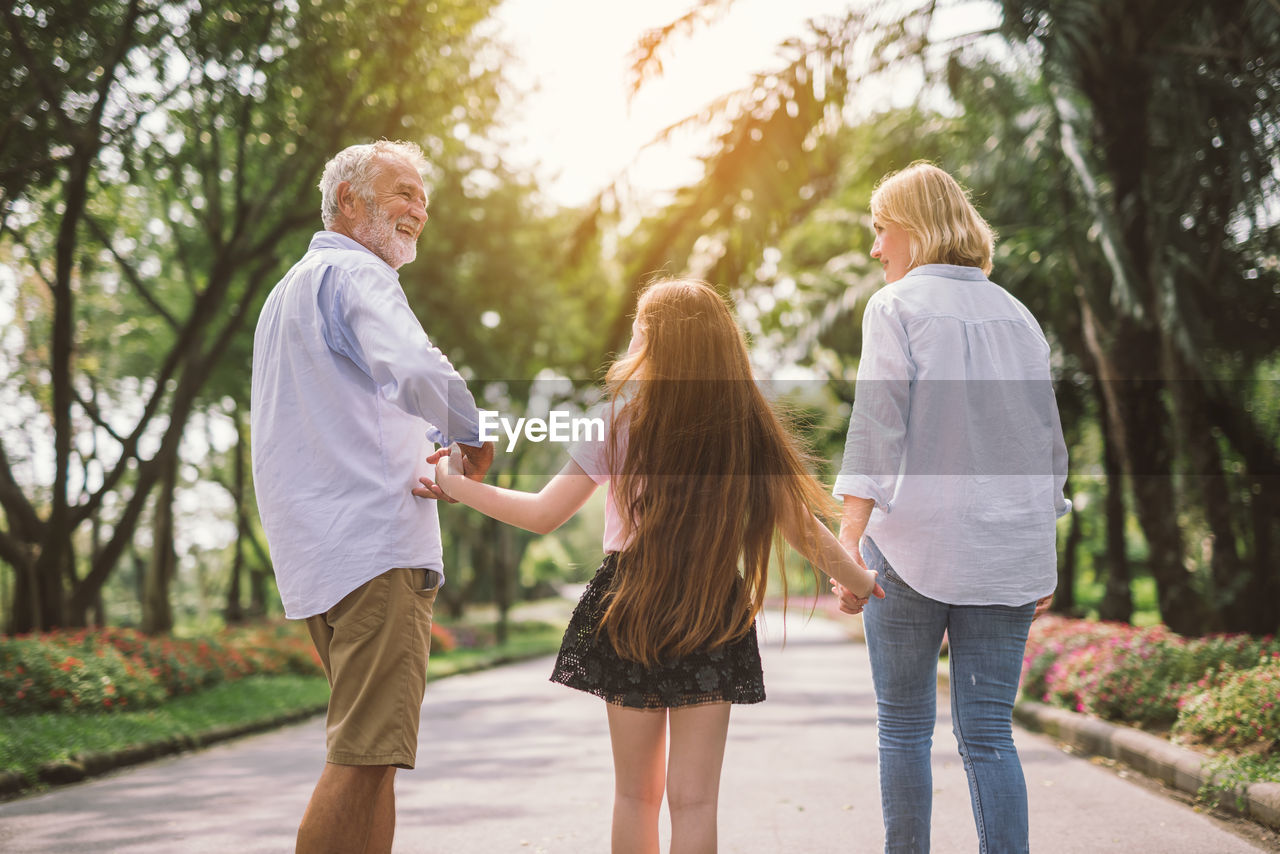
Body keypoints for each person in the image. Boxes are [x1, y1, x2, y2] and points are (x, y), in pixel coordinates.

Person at [414, 279, 883, 854]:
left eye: (641, 322)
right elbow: (800, 526)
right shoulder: (745, 432)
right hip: (713, 605)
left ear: (656, 340)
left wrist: (455, 485)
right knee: (696, 801)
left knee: (636, 796)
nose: (633, 331)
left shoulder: (619, 423)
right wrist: (857, 580)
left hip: (630, 602)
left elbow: (542, 515)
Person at [250, 139, 494, 854]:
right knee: (361, 757)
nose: (417, 209)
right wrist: (470, 430)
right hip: (376, 550)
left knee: (375, 758)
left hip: (322, 554)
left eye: (422, 197)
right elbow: (413, 365)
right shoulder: (356, 276)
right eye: (401, 192)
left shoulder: (288, 293)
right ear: (349, 202)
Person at [829, 161, 1070, 853]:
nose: (876, 249)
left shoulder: (897, 304)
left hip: (910, 549)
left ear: (913, 227)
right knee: (990, 735)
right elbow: (1045, 447)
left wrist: (848, 545)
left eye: (880, 230)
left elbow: (877, 427)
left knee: (904, 727)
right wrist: (1038, 555)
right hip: (1008, 551)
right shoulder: (1017, 315)